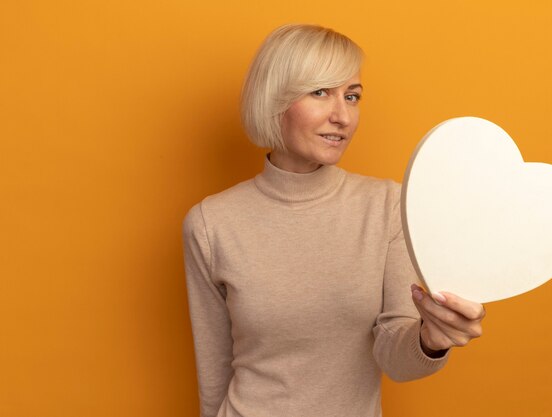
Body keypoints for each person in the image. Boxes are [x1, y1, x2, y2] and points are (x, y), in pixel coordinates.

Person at [183, 24, 486, 417]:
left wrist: (431, 339)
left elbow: (397, 358)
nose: (342, 116)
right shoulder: (211, 224)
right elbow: (213, 373)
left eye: (352, 96)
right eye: (320, 92)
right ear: (274, 98)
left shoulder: (388, 206)